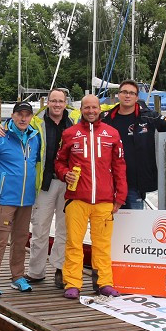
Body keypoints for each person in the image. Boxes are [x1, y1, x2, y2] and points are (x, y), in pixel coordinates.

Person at [0, 89, 78, 289]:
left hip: (68, 181)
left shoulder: (74, 117)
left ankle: (59, 269)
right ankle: (36, 271)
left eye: (60, 101)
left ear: (66, 103)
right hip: (45, 182)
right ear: (47, 102)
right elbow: (13, 124)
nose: (57, 104)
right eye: (53, 101)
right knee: (40, 228)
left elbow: (99, 110)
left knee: (64, 230)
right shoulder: (37, 120)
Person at [55, 94, 127, 300]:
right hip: (77, 198)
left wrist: (119, 197)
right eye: (86, 107)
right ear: (81, 109)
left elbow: (120, 167)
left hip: (104, 200)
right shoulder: (70, 134)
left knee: (102, 245)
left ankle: (104, 282)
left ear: (99, 109)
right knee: (74, 243)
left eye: (94, 107)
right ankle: (73, 283)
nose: (91, 111)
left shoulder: (112, 134)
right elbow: (59, 162)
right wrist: (63, 173)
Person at [0, 101, 42, 297]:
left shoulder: (35, 137)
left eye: (27, 114)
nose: (23, 118)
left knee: (21, 239)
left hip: (27, 198)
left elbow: (34, 165)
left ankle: (17, 277)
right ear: (13, 116)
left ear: (31, 117)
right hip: (6, 198)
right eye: (20, 114)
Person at [102, 80, 166, 209]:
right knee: (107, 223)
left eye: (132, 93)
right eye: (124, 92)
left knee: (135, 224)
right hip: (109, 182)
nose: (128, 96)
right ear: (118, 95)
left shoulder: (148, 117)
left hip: (136, 184)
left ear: (137, 97)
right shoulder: (106, 119)